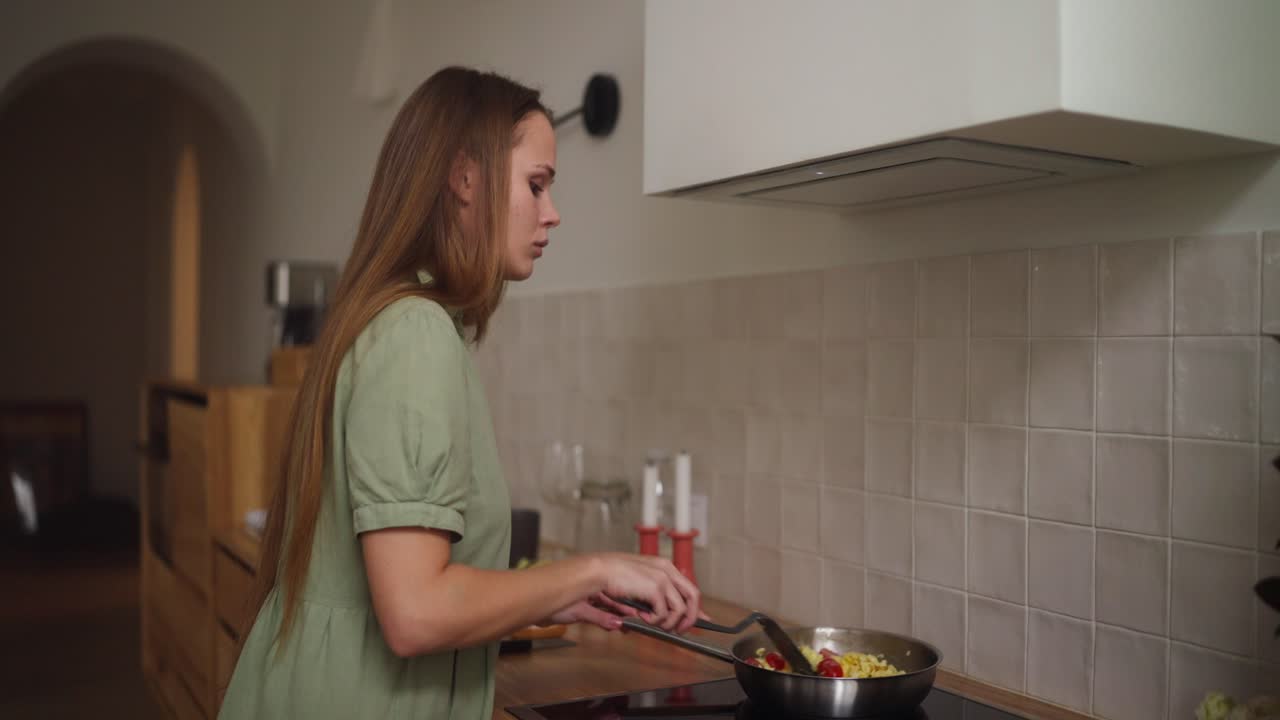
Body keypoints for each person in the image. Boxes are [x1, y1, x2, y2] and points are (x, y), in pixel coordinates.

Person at [219, 66, 703, 719]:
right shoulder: (415, 334)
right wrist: (590, 570)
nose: (553, 213)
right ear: (465, 178)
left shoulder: (392, 317)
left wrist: (552, 596)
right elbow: (415, 612)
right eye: (537, 185)